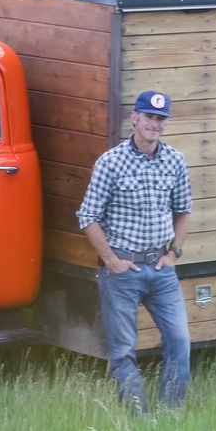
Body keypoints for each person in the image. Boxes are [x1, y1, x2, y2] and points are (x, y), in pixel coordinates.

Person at [76, 90, 193, 414]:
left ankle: (170, 416)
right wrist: (111, 261)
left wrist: (174, 253)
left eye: (160, 119)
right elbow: (87, 216)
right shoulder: (111, 162)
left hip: (161, 268)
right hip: (123, 272)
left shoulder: (175, 161)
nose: (154, 124)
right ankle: (139, 419)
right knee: (123, 350)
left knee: (180, 341)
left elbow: (183, 211)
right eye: (149, 117)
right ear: (135, 119)